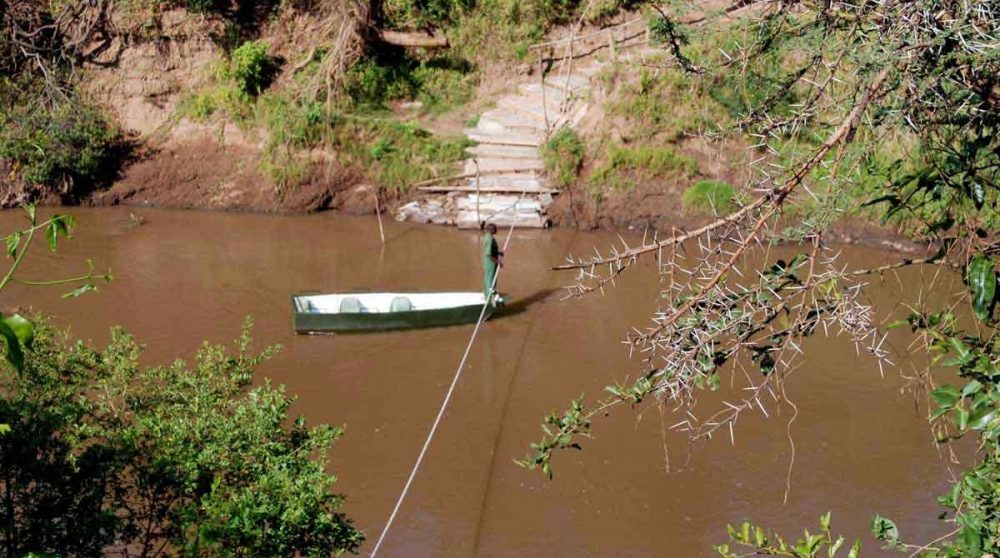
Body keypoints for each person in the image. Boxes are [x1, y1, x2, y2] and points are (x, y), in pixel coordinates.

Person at [481, 222, 503, 298]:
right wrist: (498, 262)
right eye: (495, 228)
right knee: (490, 279)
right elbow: (488, 254)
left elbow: (491, 251)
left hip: (490, 262)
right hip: (490, 263)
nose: (496, 230)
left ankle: (489, 293)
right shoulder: (489, 239)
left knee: (489, 278)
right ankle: (489, 296)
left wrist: (498, 253)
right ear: (491, 229)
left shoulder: (488, 237)